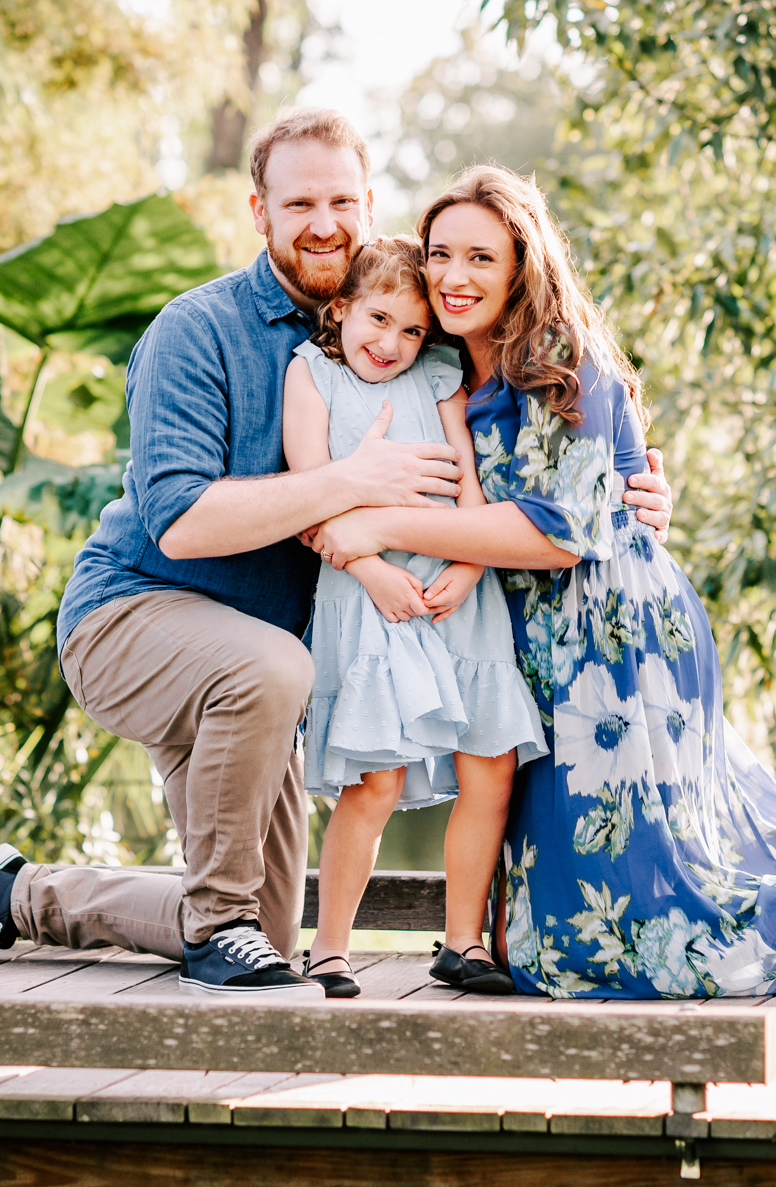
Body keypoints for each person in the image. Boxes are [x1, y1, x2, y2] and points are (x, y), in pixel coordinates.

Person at [0, 109, 675, 1001]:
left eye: (342, 198)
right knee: (268, 687)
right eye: (299, 201)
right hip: (136, 616)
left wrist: (631, 482)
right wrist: (353, 480)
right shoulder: (197, 331)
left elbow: (533, 398)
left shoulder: (409, 314)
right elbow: (181, 522)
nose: (324, 221)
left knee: (259, 931)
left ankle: (28, 896)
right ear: (259, 211)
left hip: (268, 670)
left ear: (371, 205)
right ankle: (214, 925)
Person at [305, 166, 776, 996]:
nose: (456, 277)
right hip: (534, 640)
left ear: (522, 265)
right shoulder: (449, 358)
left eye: (482, 259)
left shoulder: (559, 358)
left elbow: (560, 532)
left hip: (609, 637)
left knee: (639, 916)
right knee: (562, 932)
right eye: (442, 255)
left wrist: (376, 528)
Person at [285, 235, 545, 999]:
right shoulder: (314, 377)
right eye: (378, 319)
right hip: (367, 593)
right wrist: (371, 571)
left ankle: (463, 940)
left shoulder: (436, 377)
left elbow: (467, 477)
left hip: (456, 588)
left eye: (409, 330)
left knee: (488, 762)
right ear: (341, 309)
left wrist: (470, 565)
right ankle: (329, 948)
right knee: (377, 781)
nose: (391, 343)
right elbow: (310, 491)